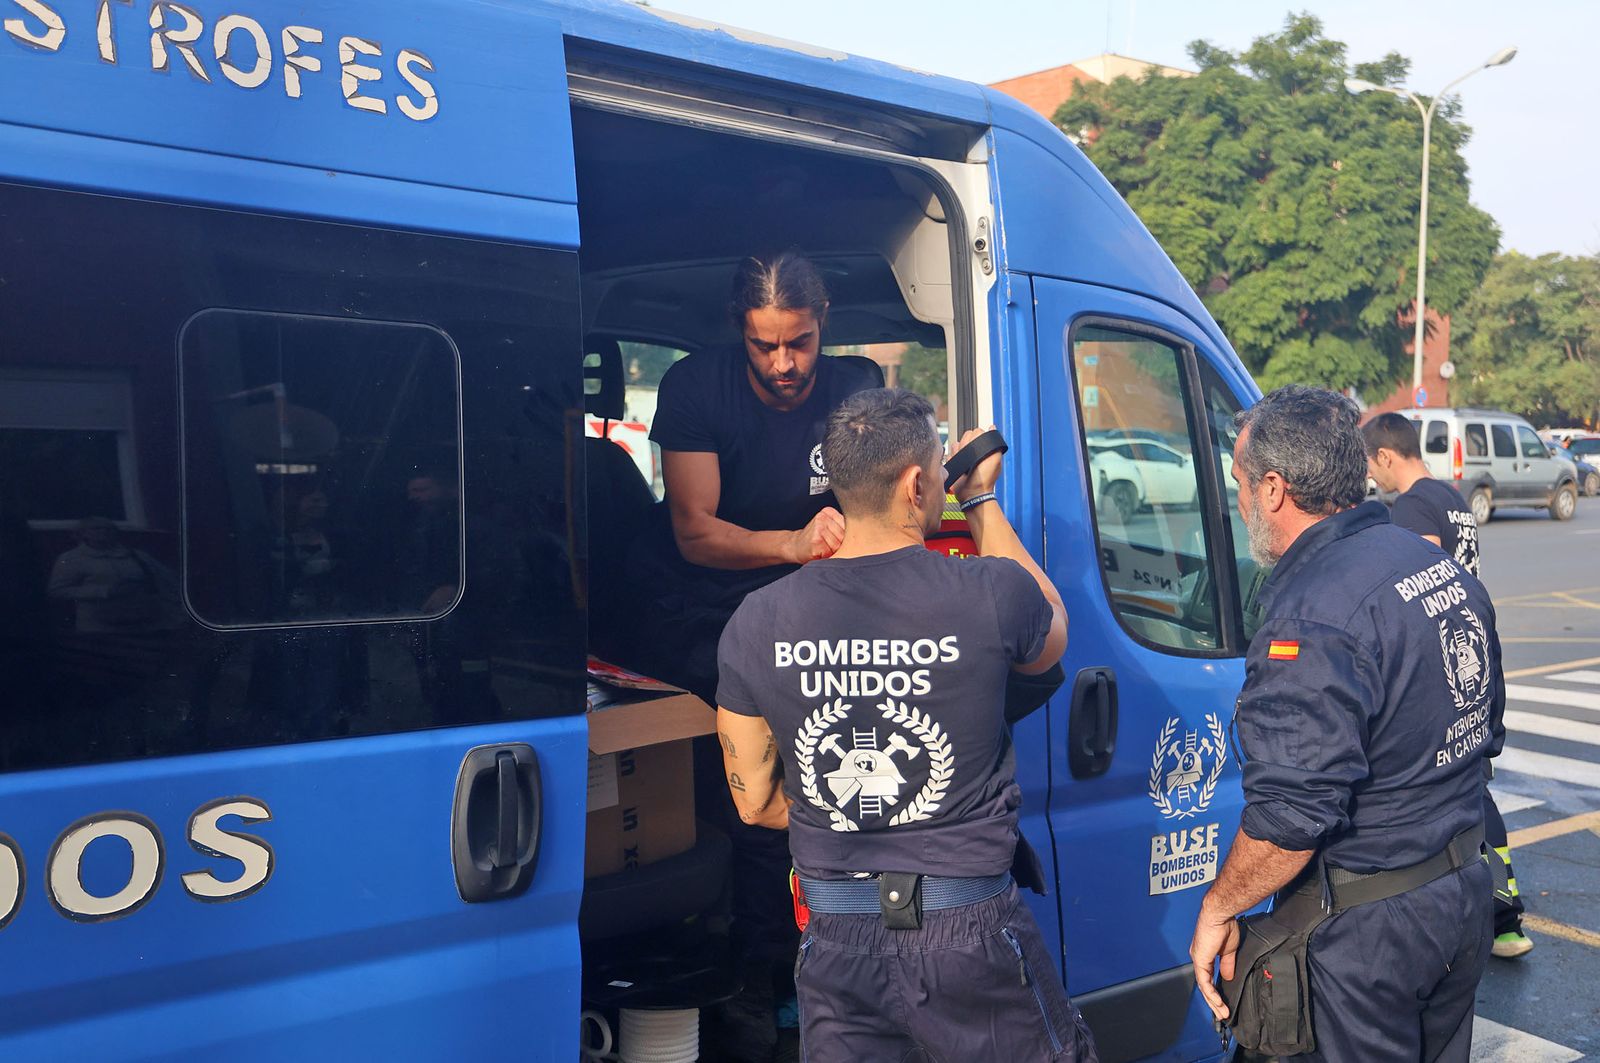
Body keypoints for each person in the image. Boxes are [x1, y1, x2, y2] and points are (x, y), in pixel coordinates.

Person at [713, 388, 1098, 1062]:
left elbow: (753, 799)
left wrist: (854, 818)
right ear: (917, 484)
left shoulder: (757, 619)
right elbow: (1052, 629)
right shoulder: (988, 592)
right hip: (967, 935)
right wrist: (979, 500)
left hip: (836, 940)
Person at [1191, 386, 1504, 1062]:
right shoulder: (1435, 566)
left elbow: (1289, 821)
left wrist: (1218, 907)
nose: (1240, 501)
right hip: (1460, 895)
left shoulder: (1310, 614)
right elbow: (1485, 730)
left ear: (1274, 489)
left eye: (1242, 485)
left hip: (1372, 935)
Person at [627, 252, 881, 1059]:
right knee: (754, 814)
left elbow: (884, 499)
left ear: (824, 319)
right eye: (764, 345)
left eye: (798, 343)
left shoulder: (858, 385)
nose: (782, 365)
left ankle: (831, 976)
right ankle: (758, 979)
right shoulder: (697, 387)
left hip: (822, 622)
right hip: (713, 618)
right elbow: (695, 530)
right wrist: (796, 543)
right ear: (742, 331)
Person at [1363, 411, 1531, 960]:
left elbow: (1417, 581)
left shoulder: (1412, 508)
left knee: (1463, 791)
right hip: (1479, 643)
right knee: (1476, 781)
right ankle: (1505, 908)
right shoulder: (1453, 498)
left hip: (1448, 657)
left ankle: (1494, 913)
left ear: (1387, 456)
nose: (1374, 478)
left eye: (1373, 466)